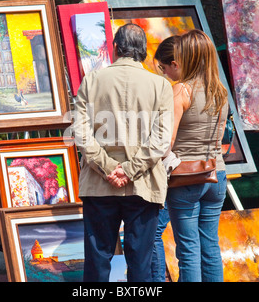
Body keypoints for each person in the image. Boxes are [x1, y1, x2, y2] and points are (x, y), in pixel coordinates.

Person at [73, 23, 174, 282]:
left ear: (115, 49)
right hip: (143, 184)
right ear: (143, 51)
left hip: (99, 184)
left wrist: (109, 168)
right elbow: (160, 141)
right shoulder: (160, 85)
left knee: (97, 259)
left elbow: (81, 134)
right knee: (140, 262)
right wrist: (128, 171)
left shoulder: (92, 81)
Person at [166, 29, 228, 282]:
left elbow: (166, 141)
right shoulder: (220, 91)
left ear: (187, 56)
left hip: (186, 177)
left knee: (189, 250)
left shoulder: (181, 90)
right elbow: (221, 135)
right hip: (217, 174)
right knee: (210, 246)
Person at [151, 35, 181, 282]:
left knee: (152, 232)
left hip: (176, 171)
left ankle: (158, 282)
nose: (163, 73)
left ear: (175, 64)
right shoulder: (211, 85)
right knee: (197, 240)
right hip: (209, 171)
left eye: (163, 67)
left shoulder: (178, 91)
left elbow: (166, 142)